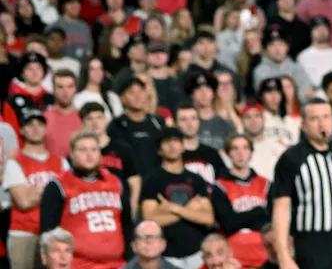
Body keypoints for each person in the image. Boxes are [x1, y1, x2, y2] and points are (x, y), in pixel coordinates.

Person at [270, 99, 332, 269]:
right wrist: (283, 256)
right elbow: (281, 209)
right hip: (312, 242)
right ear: (304, 124)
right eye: (314, 119)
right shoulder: (291, 159)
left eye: (326, 117)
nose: (322, 124)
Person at [39, 130, 127, 269]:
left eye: (94, 149)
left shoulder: (116, 182)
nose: (89, 154)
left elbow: (127, 224)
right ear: (72, 155)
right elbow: (48, 233)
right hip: (78, 265)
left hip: (117, 264)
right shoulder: (58, 185)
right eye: (82, 150)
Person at [141, 125, 218, 269]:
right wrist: (189, 210)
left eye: (176, 141)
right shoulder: (151, 181)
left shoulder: (196, 180)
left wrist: (173, 208)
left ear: (183, 146)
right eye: (167, 142)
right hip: (167, 255)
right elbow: (149, 221)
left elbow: (208, 219)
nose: (172, 146)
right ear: (159, 149)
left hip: (197, 253)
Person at [4, 110, 66, 269]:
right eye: (30, 125)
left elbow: (68, 197)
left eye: (40, 124)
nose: (36, 128)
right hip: (24, 234)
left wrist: (35, 191)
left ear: (46, 128)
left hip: (55, 233)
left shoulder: (61, 162)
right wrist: (53, 194)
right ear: (22, 130)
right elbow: (23, 201)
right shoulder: (14, 163)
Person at [212, 132, 270, 269]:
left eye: (245, 148)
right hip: (235, 258)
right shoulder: (219, 187)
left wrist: (241, 219)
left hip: (265, 254)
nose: (240, 153)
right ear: (228, 154)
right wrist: (258, 210)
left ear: (251, 153)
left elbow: (270, 222)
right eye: (235, 149)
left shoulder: (266, 184)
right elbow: (229, 224)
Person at [81, 101, 142, 222]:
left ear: (106, 120)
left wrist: (133, 209)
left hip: (120, 209)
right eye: (89, 119)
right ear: (83, 123)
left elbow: (135, 182)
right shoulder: (79, 152)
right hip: (89, 211)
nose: (95, 123)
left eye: (99, 117)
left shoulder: (123, 149)